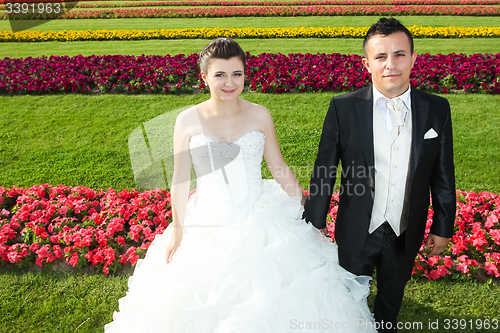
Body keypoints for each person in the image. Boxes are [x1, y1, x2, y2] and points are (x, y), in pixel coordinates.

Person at [105, 38, 376, 332]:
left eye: (237, 74)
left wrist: (308, 209)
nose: (230, 82)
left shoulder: (259, 114)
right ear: (204, 77)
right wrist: (179, 230)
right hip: (208, 218)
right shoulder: (187, 120)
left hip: (258, 213)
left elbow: (279, 167)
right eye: (220, 74)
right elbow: (180, 179)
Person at [303, 18, 456, 333]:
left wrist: (443, 225)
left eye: (400, 54)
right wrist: (315, 221)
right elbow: (324, 169)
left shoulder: (436, 108)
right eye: (381, 57)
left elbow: (443, 172)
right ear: (367, 64)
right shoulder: (343, 108)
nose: (391, 64)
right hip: (357, 226)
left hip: (405, 226)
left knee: (392, 291)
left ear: (414, 58)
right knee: (346, 293)